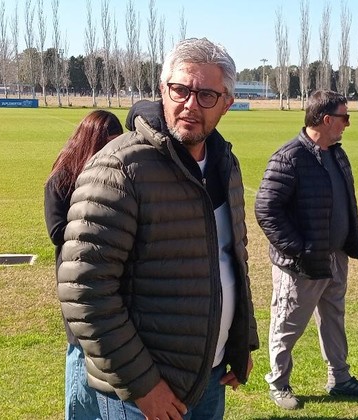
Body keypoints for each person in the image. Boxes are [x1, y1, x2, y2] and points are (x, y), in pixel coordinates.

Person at [57, 37, 259, 420]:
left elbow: (232, 260)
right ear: (162, 89)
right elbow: (84, 289)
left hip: (210, 376)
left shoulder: (225, 165)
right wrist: (143, 386)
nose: (190, 104)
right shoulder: (120, 168)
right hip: (141, 394)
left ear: (227, 103)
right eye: (180, 90)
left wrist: (240, 341)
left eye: (206, 95)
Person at [255, 89, 358, 411]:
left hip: (335, 257)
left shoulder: (337, 154)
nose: (347, 124)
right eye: (344, 117)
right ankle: (278, 383)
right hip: (301, 264)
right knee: (287, 323)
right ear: (326, 119)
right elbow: (266, 210)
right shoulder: (289, 157)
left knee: (333, 319)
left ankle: (340, 378)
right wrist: (298, 250)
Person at [44, 109, 123, 420]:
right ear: (92, 141)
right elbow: (56, 231)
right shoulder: (62, 179)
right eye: (107, 143)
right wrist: (98, 226)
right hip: (76, 279)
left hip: (109, 279)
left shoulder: (114, 176)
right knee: (81, 349)